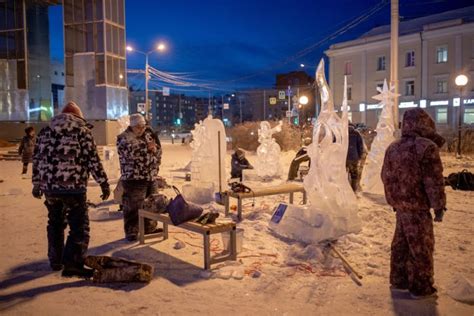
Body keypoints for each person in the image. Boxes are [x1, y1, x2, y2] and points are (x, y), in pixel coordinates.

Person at [32, 101, 110, 278]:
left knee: (55, 223)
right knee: (79, 227)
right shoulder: (81, 131)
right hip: (73, 188)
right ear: (78, 117)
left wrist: (37, 184)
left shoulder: (45, 132)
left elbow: (37, 160)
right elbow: (92, 160)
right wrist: (103, 183)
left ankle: (55, 260)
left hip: (50, 188)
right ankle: (73, 264)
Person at [381, 108, 446, 299]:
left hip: (401, 206)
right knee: (421, 246)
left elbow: (386, 176)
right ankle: (420, 287)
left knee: (400, 244)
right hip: (418, 208)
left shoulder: (393, 147)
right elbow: (433, 180)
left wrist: (393, 199)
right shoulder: (426, 147)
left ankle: (399, 280)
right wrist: (439, 205)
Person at [117, 113, 162, 241]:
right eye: (138, 127)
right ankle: (132, 231)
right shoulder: (124, 138)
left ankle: (150, 228)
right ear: (131, 126)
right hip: (134, 179)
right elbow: (134, 155)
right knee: (133, 206)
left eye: (143, 126)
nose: (141, 129)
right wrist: (149, 149)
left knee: (152, 204)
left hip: (150, 177)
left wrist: (153, 152)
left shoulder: (147, 136)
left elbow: (158, 151)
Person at [346, 123, 364, 191]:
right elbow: (360, 146)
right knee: (354, 175)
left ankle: (344, 191)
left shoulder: (342, 132)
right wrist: (359, 156)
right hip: (354, 157)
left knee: (343, 175)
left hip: (344, 159)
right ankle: (353, 190)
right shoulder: (356, 134)